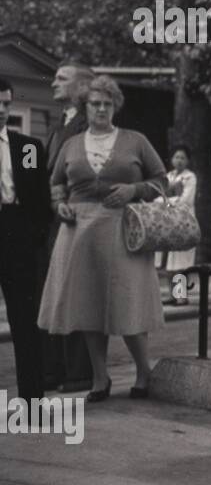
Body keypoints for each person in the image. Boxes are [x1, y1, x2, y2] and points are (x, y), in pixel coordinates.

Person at [38, 75, 169, 400]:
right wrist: (60, 205)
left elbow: (161, 180)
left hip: (123, 230)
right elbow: (55, 183)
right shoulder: (71, 144)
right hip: (78, 233)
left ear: (115, 107)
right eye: (95, 104)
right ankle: (100, 378)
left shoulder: (135, 140)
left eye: (107, 104)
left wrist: (133, 190)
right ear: (85, 107)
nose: (101, 109)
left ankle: (143, 372)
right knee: (88, 306)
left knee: (127, 301)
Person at [42, 60, 94, 392]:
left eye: (62, 79)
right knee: (55, 297)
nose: (53, 83)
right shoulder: (57, 125)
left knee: (75, 296)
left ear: (82, 88)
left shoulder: (90, 126)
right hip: (52, 223)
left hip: (77, 221)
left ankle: (79, 372)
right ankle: (57, 371)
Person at [0, 77, 51, 400]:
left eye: (6, 103)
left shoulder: (27, 148)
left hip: (16, 231)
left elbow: (40, 199)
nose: (1, 110)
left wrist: (33, 235)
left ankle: (31, 399)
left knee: (24, 320)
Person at [153, 145, 198, 303]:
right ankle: (173, 295)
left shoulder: (190, 177)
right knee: (169, 261)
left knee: (180, 262)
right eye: (176, 157)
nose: (179, 161)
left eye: (182, 158)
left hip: (184, 222)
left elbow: (185, 200)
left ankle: (181, 296)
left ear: (188, 161)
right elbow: (158, 197)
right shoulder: (168, 177)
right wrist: (168, 200)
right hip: (169, 222)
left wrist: (167, 201)